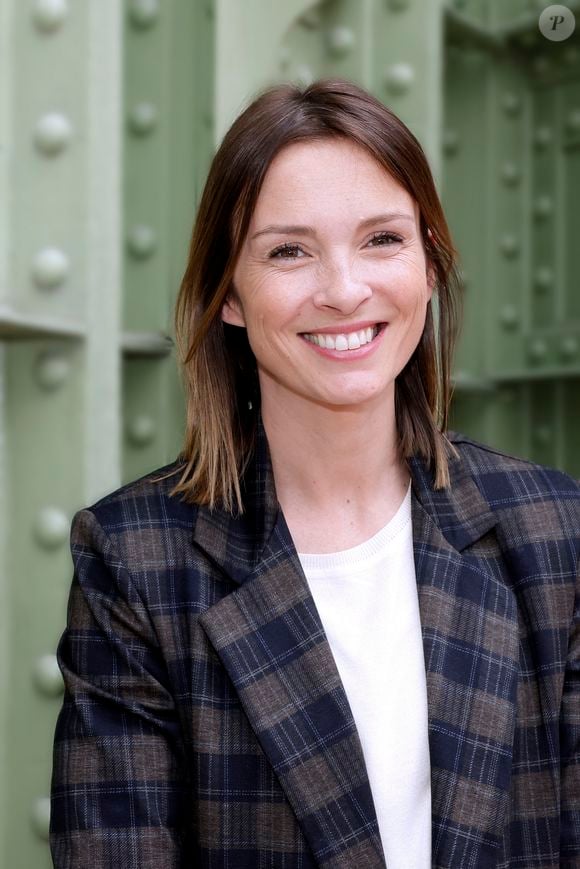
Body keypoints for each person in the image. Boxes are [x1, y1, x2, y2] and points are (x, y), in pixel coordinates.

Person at [50, 79, 580, 869]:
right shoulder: (134, 561)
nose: (342, 290)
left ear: (430, 268)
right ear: (230, 294)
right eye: (288, 250)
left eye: (382, 240)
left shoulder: (555, 528)